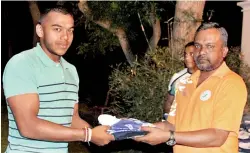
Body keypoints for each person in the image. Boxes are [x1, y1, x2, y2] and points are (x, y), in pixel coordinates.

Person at [2, 7, 114, 153]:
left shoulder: (71, 71)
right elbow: (28, 126)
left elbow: (72, 119)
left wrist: (103, 133)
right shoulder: (22, 64)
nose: (65, 37)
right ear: (40, 31)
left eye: (70, 30)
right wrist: (88, 135)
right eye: (57, 29)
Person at [135, 22, 247, 153]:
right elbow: (171, 124)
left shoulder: (231, 83)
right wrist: (137, 128)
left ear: (224, 51)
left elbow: (218, 136)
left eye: (210, 46)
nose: (202, 52)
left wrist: (169, 136)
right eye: (198, 46)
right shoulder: (185, 82)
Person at [163, 42, 198, 120]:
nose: (187, 58)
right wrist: (167, 118)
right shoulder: (177, 77)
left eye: (191, 54)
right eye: (185, 54)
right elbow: (169, 102)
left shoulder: (207, 77)